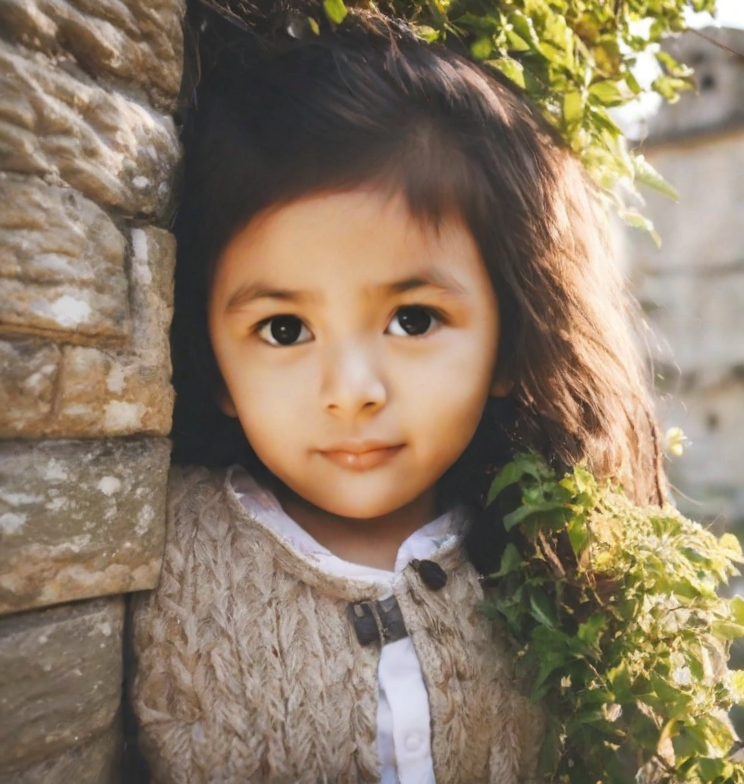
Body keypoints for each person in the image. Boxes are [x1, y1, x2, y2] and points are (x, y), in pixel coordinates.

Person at [127, 6, 666, 783]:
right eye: (283, 329)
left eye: (414, 320)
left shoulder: (548, 562)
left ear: (509, 342)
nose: (352, 392)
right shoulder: (158, 549)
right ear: (214, 362)